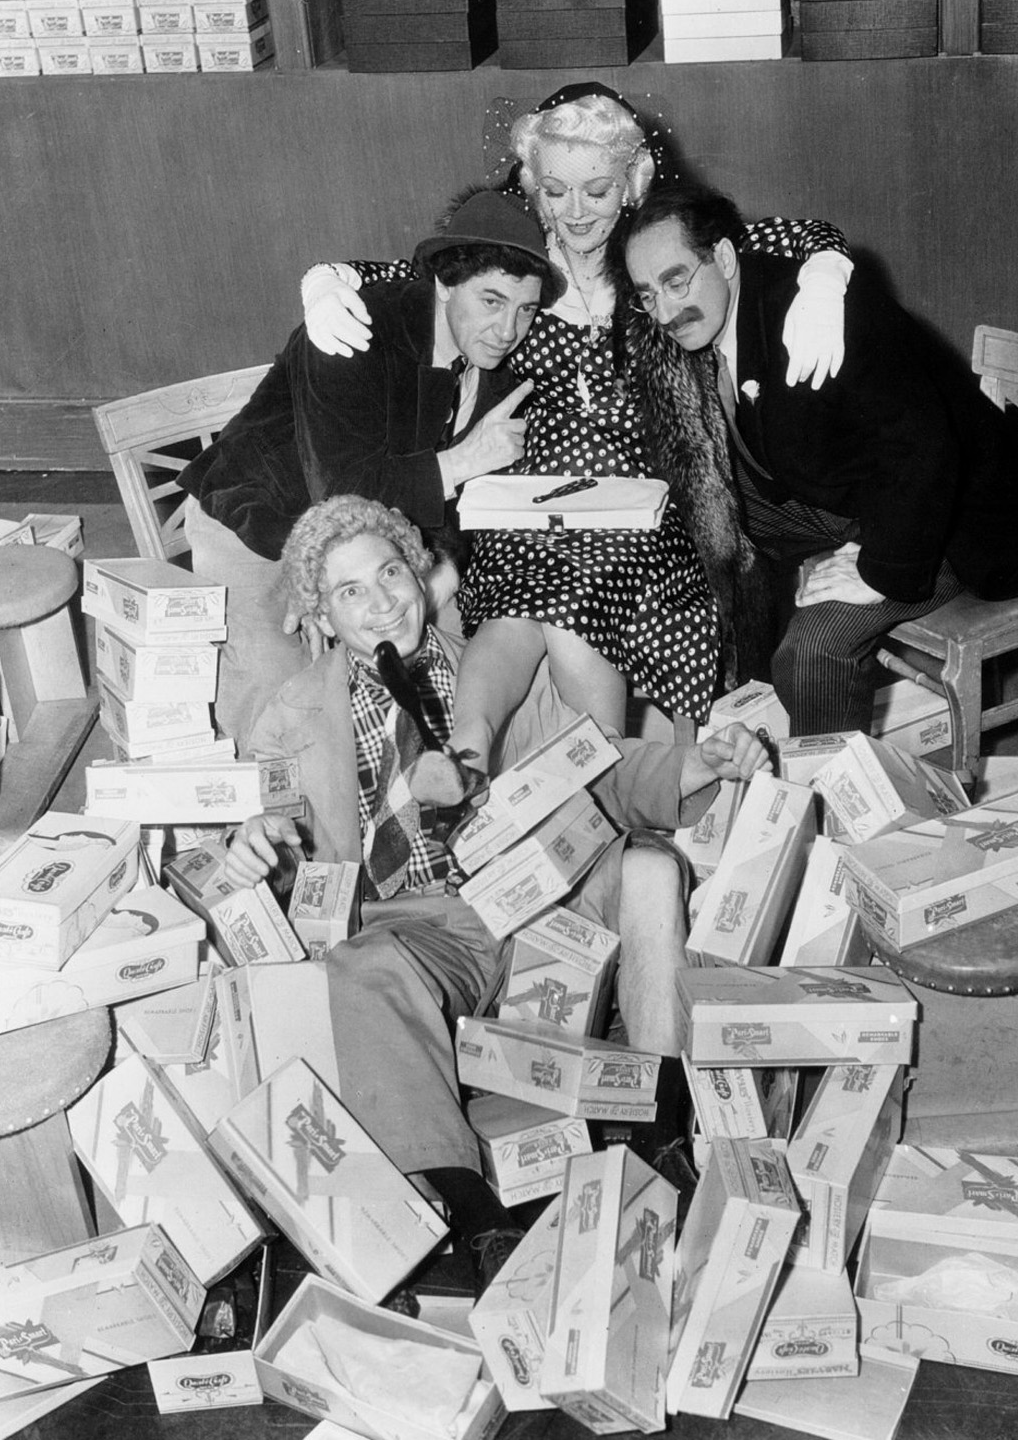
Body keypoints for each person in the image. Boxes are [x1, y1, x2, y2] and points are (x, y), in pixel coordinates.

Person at [224, 493, 771, 1290]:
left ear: (420, 573)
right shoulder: (291, 718)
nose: (382, 602)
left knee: (652, 869)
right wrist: (255, 847)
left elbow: (596, 765)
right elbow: (280, 854)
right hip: (417, 930)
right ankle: (476, 1218)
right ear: (322, 616)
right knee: (363, 969)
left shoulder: (497, 668)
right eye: (350, 592)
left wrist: (698, 764)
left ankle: (661, 1131)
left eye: (391, 573)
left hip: (538, 901)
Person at [298, 82, 854, 779]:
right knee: (519, 593)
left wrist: (827, 274)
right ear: (533, 185)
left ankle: (604, 776)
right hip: (526, 500)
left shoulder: (658, 247)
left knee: (568, 601)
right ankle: (465, 753)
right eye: (555, 191)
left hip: (648, 506)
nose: (575, 211)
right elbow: (410, 275)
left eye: (597, 190)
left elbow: (792, 236)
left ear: (633, 182)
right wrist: (326, 279)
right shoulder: (516, 251)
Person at [621, 182, 1018, 737]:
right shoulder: (739, 302)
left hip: (962, 523)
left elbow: (925, 452)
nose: (665, 311)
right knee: (695, 535)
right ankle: (737, 713)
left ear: (723, 257)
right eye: (648, 295)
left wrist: (876, 571)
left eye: (676, 281)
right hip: (870, 492)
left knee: (812, 652)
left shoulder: (820, 314)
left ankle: (831, 787)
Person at [177, 190, 565, 749]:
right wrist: (319, 590)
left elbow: (474, 505)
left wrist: (443, 576)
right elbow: (340, 491)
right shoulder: (353, 326)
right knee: (288, 709)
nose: (508, 329)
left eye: (525, 310)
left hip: (384, 548)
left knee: (462, 672)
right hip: (259, 525)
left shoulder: (498, 367)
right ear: (445, 283)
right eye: (491, 301)